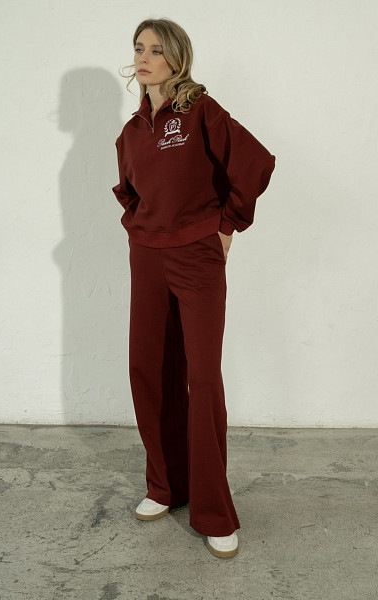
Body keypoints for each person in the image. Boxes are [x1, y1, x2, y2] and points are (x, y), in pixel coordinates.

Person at [112, 17, 276, 559]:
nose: (144, 57)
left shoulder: (200, 111)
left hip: (197, 257)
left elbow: (254, 163)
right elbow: (131, 193)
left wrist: (227, 225)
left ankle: (213, 511)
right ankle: (166, 485)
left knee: (202, 378)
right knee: (148, 369)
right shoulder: (131, 132)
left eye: (156, 50)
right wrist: (141, 230)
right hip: (146, 258)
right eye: (139, 48)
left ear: (177, 59)